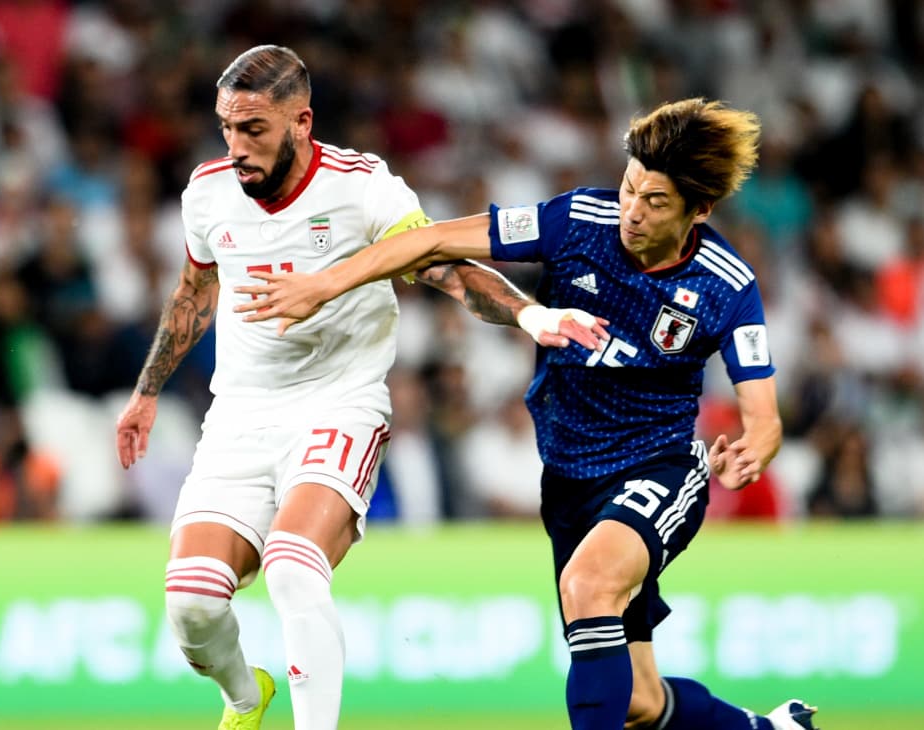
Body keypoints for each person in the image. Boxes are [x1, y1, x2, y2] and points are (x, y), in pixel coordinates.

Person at [238, 97, 816, 730]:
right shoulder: (578, 221)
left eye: (655, 202)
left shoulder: (726, 285)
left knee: (589, 585)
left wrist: (752, 450)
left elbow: (764, 417)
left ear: (698, 210)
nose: (631, 211)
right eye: (629, 188)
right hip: (569, 480)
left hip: (658, 467)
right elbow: (431, 239)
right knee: (636, 701)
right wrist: (322, 285)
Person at [114, 45, 602, 730]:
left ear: (301, 122)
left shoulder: (362, 187)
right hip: (240, 418)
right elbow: (194, 291)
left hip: (338, 405)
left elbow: (446, 265)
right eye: (226, 128)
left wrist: (529, 313)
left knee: (292, 567)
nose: (237, 147)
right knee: (192, 605)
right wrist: (148, 391)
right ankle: (246, 698)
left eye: (253, 129)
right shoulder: (209, 191)